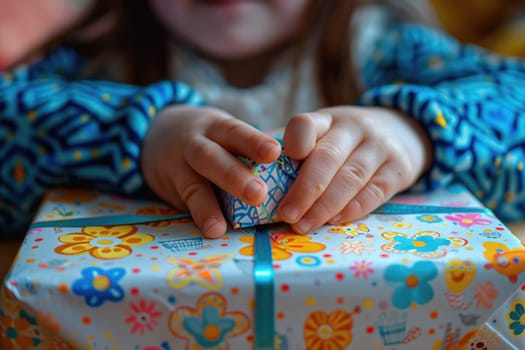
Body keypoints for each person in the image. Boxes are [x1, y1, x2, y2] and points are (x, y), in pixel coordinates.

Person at [0, 0, 524, 239]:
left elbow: (513, 93)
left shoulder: (382, 45)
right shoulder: (104, 55)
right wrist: (140, 135)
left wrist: (414, 134)